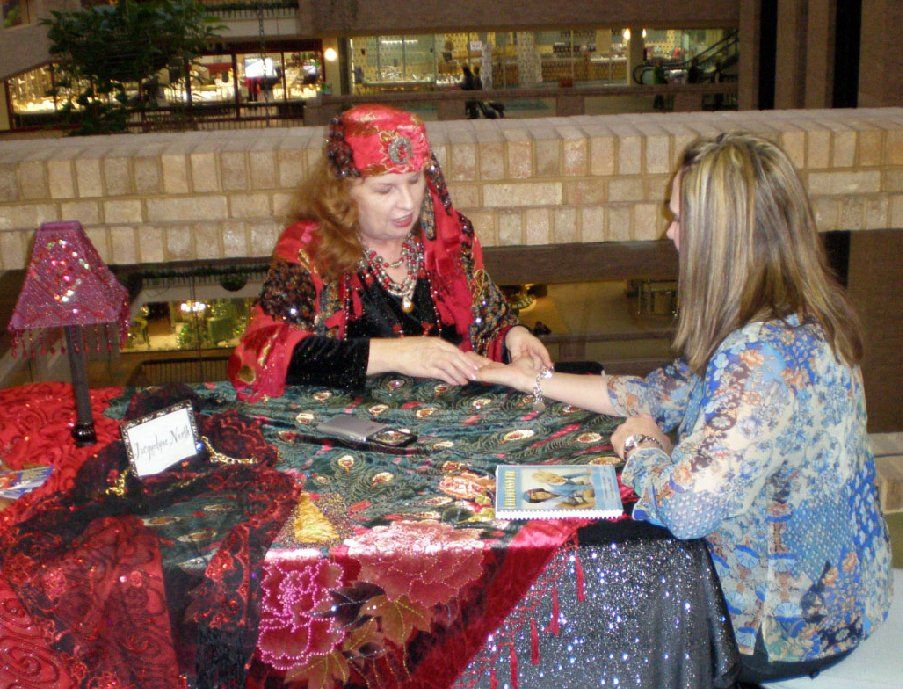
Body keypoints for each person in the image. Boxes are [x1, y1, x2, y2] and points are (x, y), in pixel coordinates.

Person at [477, 133, 892, 684]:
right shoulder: (796, 315)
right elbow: (651, 395)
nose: (668, 232)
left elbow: (686, 510)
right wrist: (531, 380)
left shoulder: (760, 358)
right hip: (845, 597)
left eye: (679, 219)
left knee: (576, 601)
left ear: (725, 238)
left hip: (787, 630)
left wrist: (642, 446)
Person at [229, 104, 550, 401]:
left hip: (453, 419)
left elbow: (487, 321)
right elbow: (263, 354)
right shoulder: (310, 249)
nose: (407, 203)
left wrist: (514, 338)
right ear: (344, 191)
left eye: (414, 181)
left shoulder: (450, 236)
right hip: (355, 431)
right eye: (385, 189)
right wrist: (397, 354)